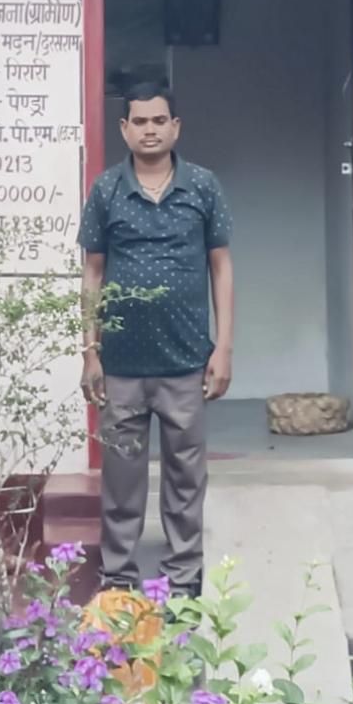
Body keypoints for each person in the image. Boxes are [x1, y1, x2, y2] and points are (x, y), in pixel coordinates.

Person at [78, 81, 234, 598]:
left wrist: (223, 347)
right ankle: (119, 584)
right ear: (124, 129)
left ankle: (183, 583)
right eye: (140, 122)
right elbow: (92, 273)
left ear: (175, 127)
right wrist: (90, 352)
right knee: (121, 481)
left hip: (186, 361)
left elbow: (221, 267)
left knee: (186, 479)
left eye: (159, 120)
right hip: (121, 366)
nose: (150, 130)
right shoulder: (106, 190)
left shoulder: (203, 186)